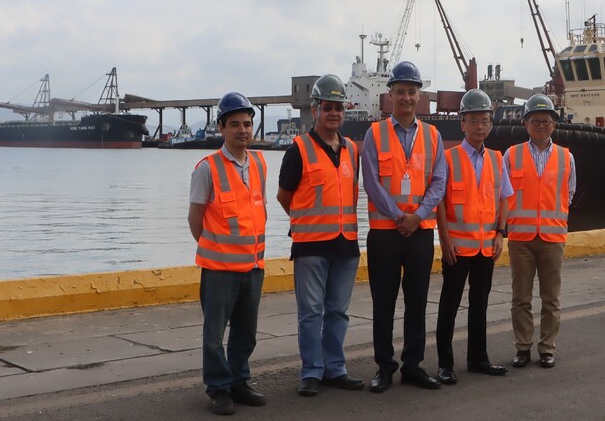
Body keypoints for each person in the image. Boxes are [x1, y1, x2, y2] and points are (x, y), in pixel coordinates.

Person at [276, 74, 365, 397]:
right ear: (315, 110)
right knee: (311, 313)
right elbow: (284, 196)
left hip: (346, 245)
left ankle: (335, 368)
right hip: (311, 246)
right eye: (328, 107)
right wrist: (305, 223)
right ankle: (312, 371)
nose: (334, 114)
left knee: (338, 311)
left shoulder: (352, 150)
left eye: (339, 108)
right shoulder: (298, 150)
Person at [362, 60, 448, 393]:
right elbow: (371, 182)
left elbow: (438, 181)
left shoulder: (433, 135)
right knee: (382, 303)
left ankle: (413, 365)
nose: (407, 97)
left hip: (420, 233)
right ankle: (385, 367)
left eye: (412, 91)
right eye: (400, 91)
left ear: (419, 95)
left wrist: (418, 215)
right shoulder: (374, 134)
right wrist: (400, 215)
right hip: (385, 233)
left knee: (417, 301)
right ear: (390, 95)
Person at [188, 92, 268, 416]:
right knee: (214, 335)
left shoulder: (260, 163)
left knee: (246, 333)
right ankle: (219, 389)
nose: (242, 130)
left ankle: (239, 381)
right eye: (234, 124)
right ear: (221, 127)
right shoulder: (207, 169)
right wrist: (216, 249)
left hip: (253, 266)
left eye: (247, 124)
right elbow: (195, 219)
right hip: (219, 269)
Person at [434, 89, 512, 386]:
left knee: (480, 303)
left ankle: (478, 359)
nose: (480, 126)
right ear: (462, 123)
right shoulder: (448, 159)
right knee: (449, 305)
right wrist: (445, 239)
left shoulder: (497, 158)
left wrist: (500, 233)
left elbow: (504, 197)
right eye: (474, 120)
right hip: (457, 247)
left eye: (485, 121)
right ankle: (445, 364)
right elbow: (439, 201)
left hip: (485, 247)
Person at [505, 93, 576, 371]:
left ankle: (547, 348)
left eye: (546, 121)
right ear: (526, 123)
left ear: (554, 124)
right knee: (520, 298)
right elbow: (505, 193)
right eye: (536, 120)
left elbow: (568, 194)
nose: (541, 125)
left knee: (551, 297)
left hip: (552, 238)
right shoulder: (512, 155)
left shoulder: (566, 157)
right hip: (521, 239)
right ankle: (522, 347)